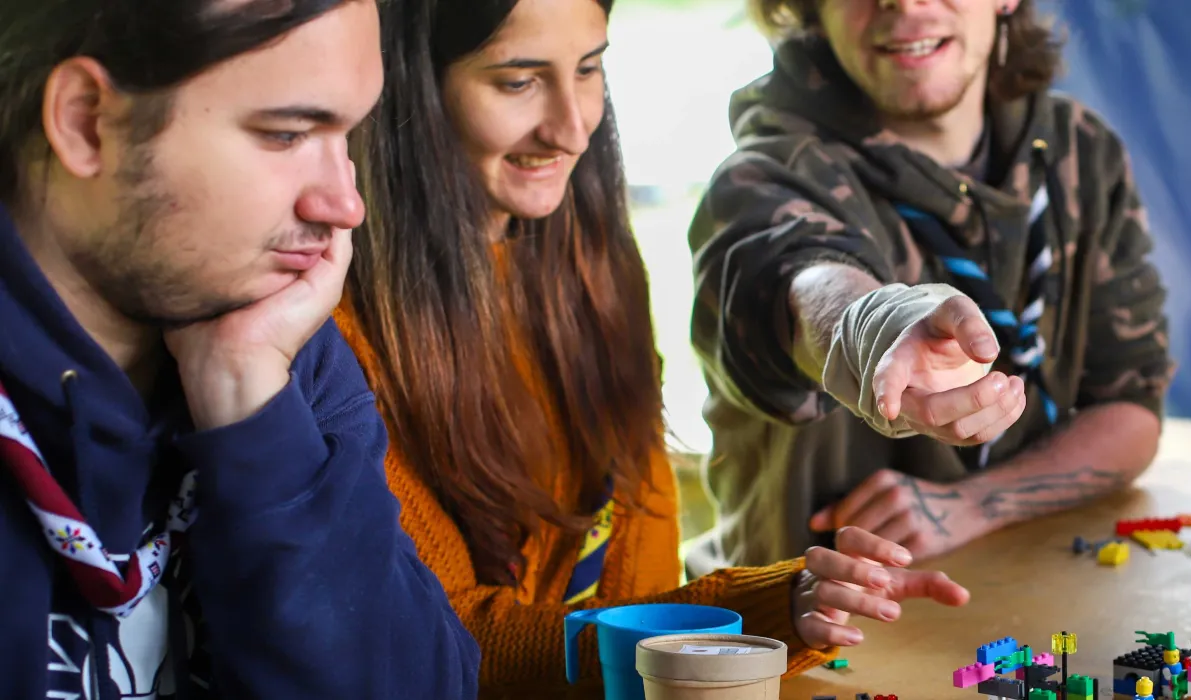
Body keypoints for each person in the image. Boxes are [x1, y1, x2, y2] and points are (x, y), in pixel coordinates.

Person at [336, 0, 971, 694]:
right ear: (408, 84)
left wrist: (773, 611)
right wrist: (734, 619)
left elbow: (638, 563)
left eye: (588, 69)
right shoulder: (338, 332)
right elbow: (446, 640)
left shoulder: (593, 258)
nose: (573, 127)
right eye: (517, 82)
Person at [0, 2, 479, 698]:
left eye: (347, 135)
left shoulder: (276, 337)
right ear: (85, 121)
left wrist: (248, 400)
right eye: (286, 134)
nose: (345, 205)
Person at [687, 0, 1176, 572]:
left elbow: (1130, 408)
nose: (903, 4)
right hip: (811, 636)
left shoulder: (1079, 149)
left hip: (1028, 598)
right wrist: (874, 326)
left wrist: (975, 505)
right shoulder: (768, 173)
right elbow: (799, 277)